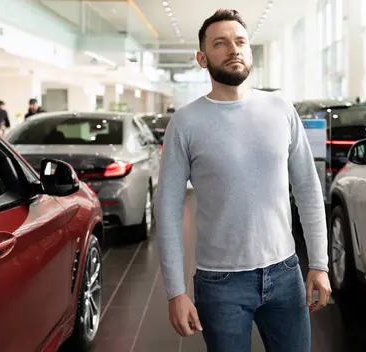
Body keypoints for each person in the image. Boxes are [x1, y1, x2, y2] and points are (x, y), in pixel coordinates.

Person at [155, 8, 331, 352]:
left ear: (250, 51)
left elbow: (308, 190)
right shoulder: (186, 123)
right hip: (220, 283)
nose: (233, 49)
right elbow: (168, 209)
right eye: (220, 43)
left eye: (240, 42)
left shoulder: (281, 108)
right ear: (202, 58)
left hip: (286, 272)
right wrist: (175, 291)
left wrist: (320, 264)